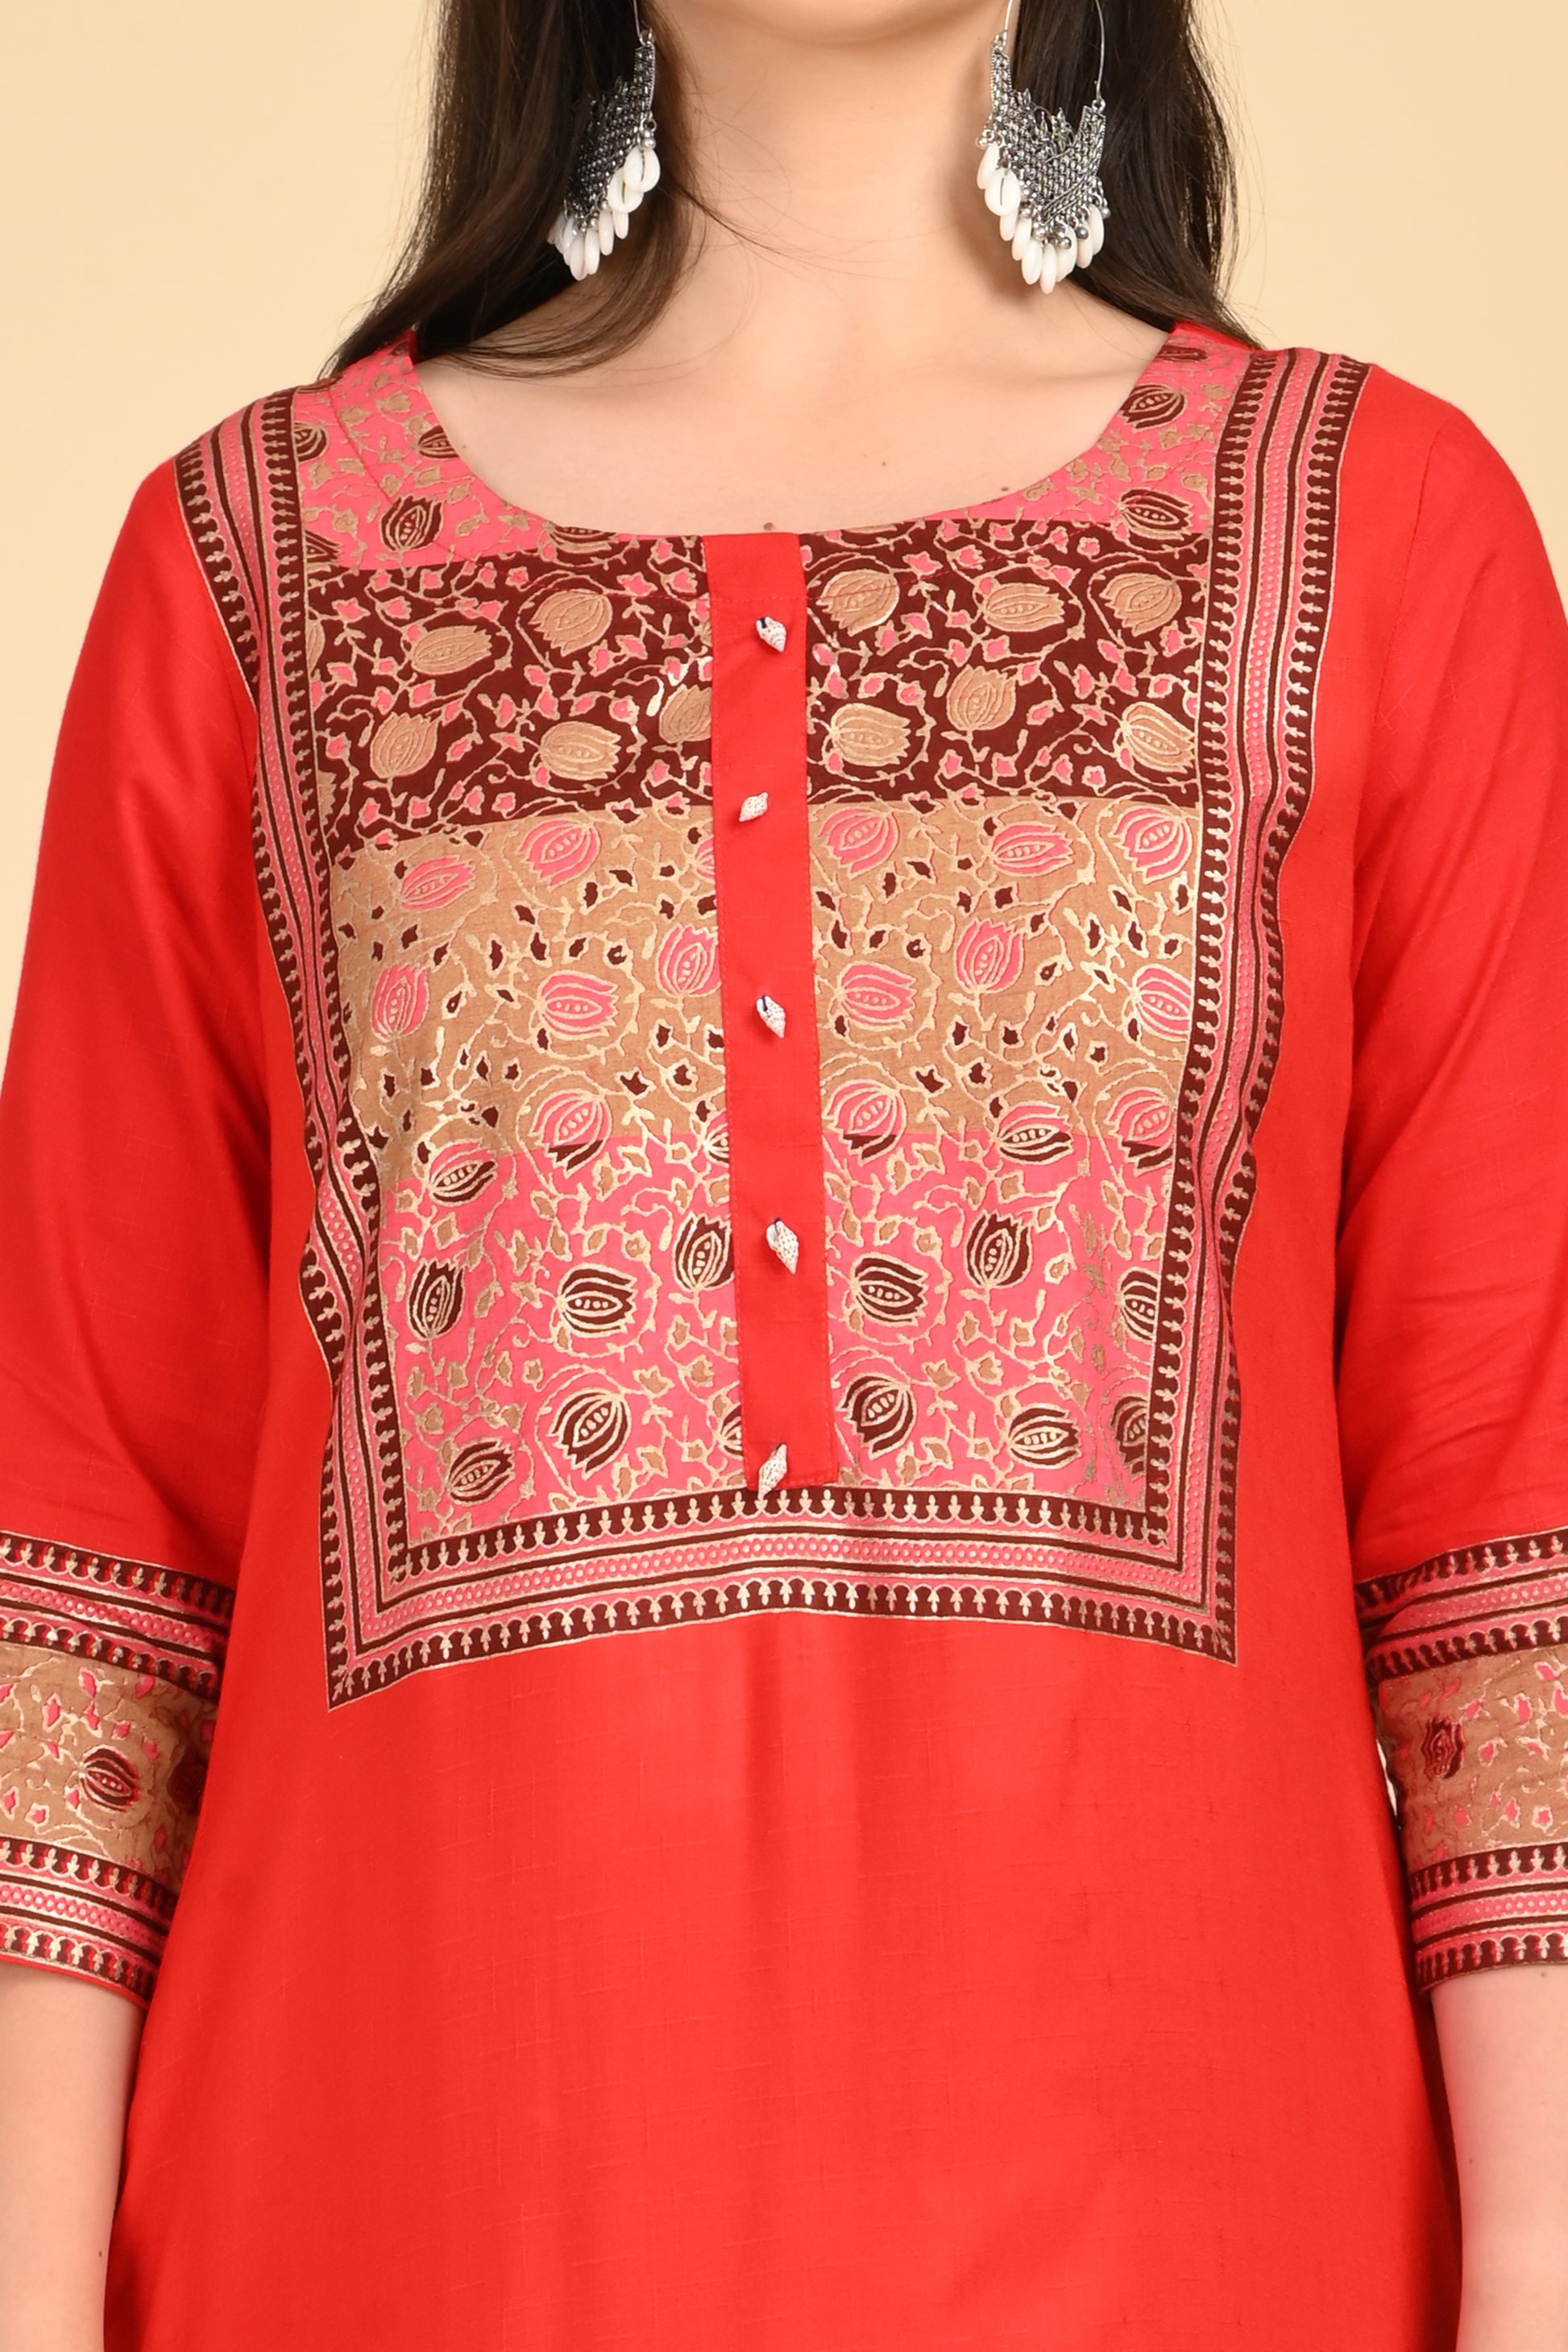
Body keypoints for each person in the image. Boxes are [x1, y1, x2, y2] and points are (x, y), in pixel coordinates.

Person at [2, 0, 1566, 2342]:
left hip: (1197, 2253)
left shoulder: (1375, 537)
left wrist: (1539, 2269)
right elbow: (83, 1572)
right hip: (393, 2235)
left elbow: (1504, 1523)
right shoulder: (254, 570)